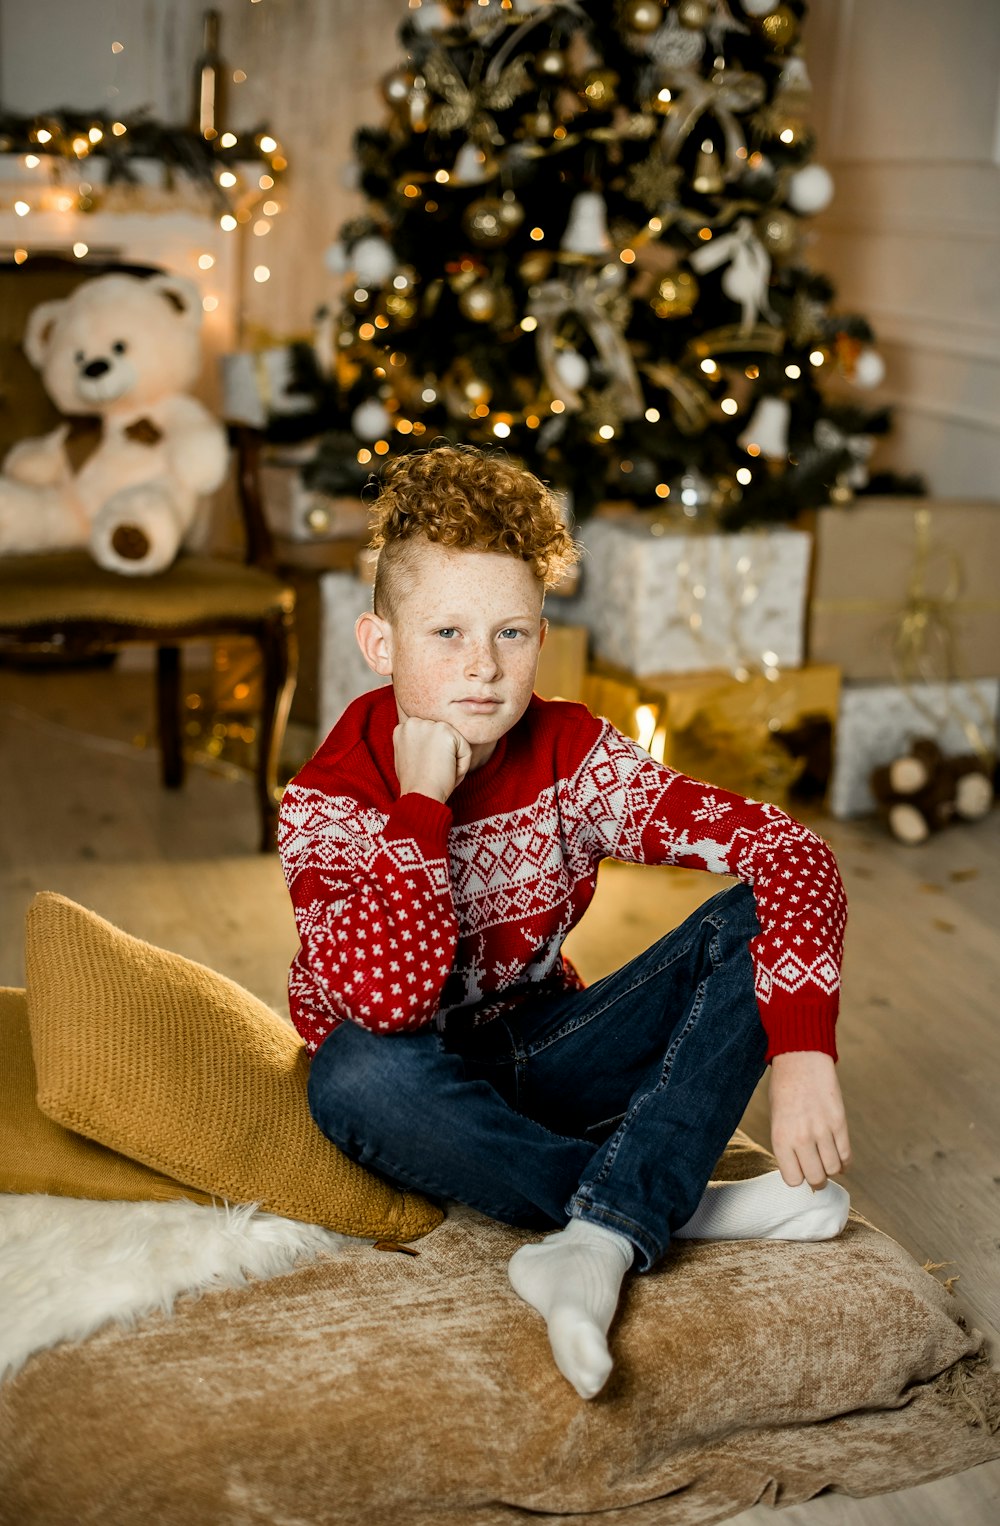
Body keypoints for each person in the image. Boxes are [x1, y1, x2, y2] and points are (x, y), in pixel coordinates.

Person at [278, 444, 852, 1401]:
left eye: (510, 634)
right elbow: (388, 998)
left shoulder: (573, 753)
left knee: (752, 915)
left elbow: (789, 851)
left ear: (541, 638)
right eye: (447, 633)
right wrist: (421, 804)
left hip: (547, 1055)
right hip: (419, 1081)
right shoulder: (327, 800)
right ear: (380, 645)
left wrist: (802, 1053)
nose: (481, 668)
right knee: (354, 1075)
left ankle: (594, 1236)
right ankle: (665, 1203)